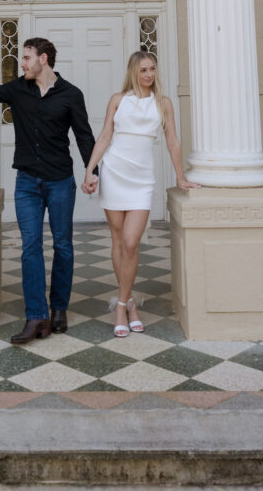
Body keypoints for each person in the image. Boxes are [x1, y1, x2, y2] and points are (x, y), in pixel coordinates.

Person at [0, 37, 95, 344]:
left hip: (60, 181)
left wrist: (93, 171)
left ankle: (59, 309)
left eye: (26, 58)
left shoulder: (71, 94)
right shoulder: (18, 88)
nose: (22, 63)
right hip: (27, 182)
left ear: (43, 59)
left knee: (63, 245)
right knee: (30, 247)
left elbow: (84, 136)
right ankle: (36, 316)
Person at [81, 51, 200, 337]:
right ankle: (129, 304)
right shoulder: (118, 100)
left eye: (152, 69)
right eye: (144, 70)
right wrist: (90, 170)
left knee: (131, 242)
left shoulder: (163, 103)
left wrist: (180, 176)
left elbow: (172, 142)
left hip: (141, 180)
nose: (149, 74)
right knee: (118, 239)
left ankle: (121, 303)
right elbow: (105, 137)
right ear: (133, 72)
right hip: (114, 173)